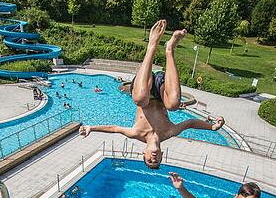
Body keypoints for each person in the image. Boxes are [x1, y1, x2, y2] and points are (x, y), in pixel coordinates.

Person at [79, 20, 225, 169]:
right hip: (161, 88)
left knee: (141, 99)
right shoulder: (169, 132)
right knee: (173, 104)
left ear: (144, 153)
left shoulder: (136, 132)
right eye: (157, 161)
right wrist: (211, 127)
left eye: (149, 160)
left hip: (144, 87)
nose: (154, 159)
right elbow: (191, 123)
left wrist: (92, 127)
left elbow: (114, 128)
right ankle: (170, 48)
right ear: (162, 155)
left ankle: (152, 45)